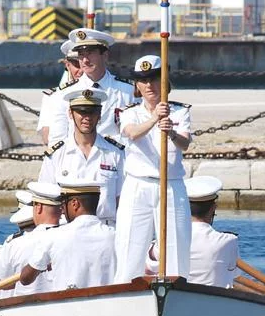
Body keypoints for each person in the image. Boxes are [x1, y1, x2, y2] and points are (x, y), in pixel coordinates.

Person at [113, 54, 193, 282]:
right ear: (137, 85)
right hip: (139, 184)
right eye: (144, 80)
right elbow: (131, 133)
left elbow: (185, 144)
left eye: (155, 79)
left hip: (171, 185)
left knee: (177, 250)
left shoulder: (179, 112)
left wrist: (173, 133)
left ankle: (176, 297)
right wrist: (154, 120)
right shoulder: (130, 112)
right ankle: (125, 295)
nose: (150, 85)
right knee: (130, 246)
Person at [38, 86, 125, 225]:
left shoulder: (116, 154)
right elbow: (44, 199)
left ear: (99, 114)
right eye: (81, 112)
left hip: (106, 229)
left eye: (92, 112)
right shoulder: (56, 154)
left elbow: (122, 200)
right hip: (66, 230)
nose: (87, 118)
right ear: (70, 114)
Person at [20, 178, 117, 290]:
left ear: (75, 204)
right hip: (106, 305)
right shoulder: (115, 236)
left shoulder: (53, 236)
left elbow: (25, 279)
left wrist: (42, 265)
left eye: (63, 203)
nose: (61, 209)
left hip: (67, 306)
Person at [145, 176, 239, 287]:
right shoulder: (228, 241)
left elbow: (148, 270)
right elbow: (234, 276)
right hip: (212, 299)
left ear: (184, 207)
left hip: (176, 297)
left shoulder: (163, 243)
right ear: (213, 208)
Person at [0, 182, 64, 297]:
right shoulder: (70, 237)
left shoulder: (15, 244)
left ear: (38, 207)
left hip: (26, 308)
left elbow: (4, 284)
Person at [46, 28, 135, 145]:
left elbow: (134, 134)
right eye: (81, 55)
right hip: (77, 158)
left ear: (105, 55)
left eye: (90, 54)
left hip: (116, 159)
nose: (85, 60)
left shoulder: (128, 91)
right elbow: (57, 138)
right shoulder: (65, 93)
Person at [36, 40, 82, 144]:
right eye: (77, 64)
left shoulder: (105, 92)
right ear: (67, 64)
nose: (82, 70)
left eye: (85, 64)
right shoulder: (52, 97)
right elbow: (47, 137)